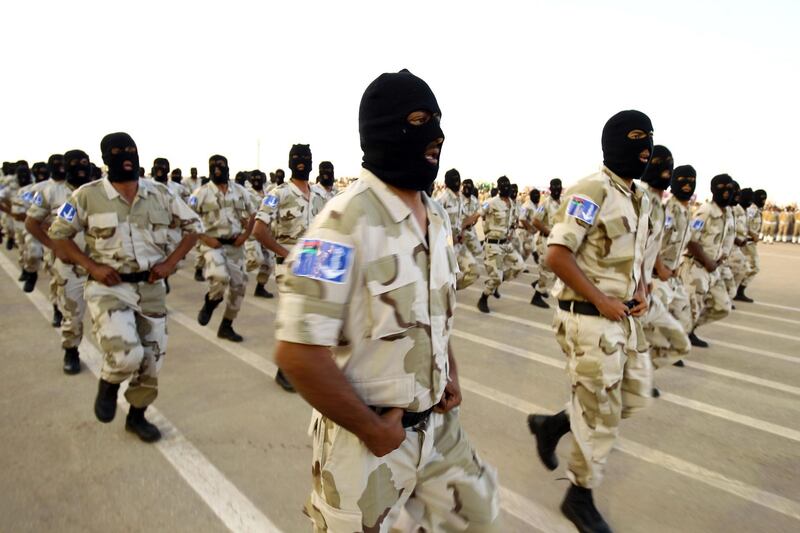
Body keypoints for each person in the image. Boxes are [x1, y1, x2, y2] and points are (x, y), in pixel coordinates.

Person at [274, 69, 499, 533]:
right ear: (382, 129)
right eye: (419, 121)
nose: (436, 135)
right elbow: (297, 353)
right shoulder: (339, 225)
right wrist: (374, 430)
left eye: (438, 121)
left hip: (436, 429)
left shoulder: (435, 217)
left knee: (479, 517)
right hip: (365, 440)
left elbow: (433, 311)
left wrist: (448, 370)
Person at [527, 110, 654, 533]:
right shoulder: (591, 190)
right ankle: (579, 495)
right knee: (602, 415)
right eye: (636, 137)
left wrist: (641, 291)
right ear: (614, 140)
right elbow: (556, 254)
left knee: (633, 397)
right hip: (589, 321)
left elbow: (632, 257)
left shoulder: (639, 196)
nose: (646, 146)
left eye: (650, 138)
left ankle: (554, 424)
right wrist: (601, 300)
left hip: (622, 320)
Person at [49, 133, 201, 442]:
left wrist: (170, 263)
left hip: (151, 288)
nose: (126, 156)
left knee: (152, 360)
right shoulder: (86, 196)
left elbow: (193, 228)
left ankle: (137, 416)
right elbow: (59, 235)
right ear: (105, 159)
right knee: (126, 355)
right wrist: (92, 266)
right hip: (109, 288)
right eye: (117, 151)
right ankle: (108, 383)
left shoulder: (160, 194)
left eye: (131, 149)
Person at [252, 144, 326, 392]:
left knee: (314, 318)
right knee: (293, 315)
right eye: (297, 158)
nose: (302, 162)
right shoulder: (277, 193)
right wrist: (287, 254)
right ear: (289, 162)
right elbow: (259, 230)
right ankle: (284, 371)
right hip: (288, 267)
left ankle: (307, 366)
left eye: (306, 158)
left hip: (314, 265)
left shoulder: (319, 196)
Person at [638, 146, 690, 392]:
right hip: (636, 290)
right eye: (657, 161)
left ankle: (639, 376)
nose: (664, 168)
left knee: (678, 342)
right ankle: (638, 379)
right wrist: (657, 270)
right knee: (641, 339)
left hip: (647, 286)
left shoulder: (660, 205)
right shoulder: (640, 199)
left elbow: (652, 244)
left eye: (669, 163)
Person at [191, 155, 256, 342]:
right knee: (220, 279)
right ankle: (210, 303)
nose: (217, 169)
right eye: (213, 166)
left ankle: (226, 326)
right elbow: (189, 220)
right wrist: (204, 238)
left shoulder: (240, 191)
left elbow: (253, 214)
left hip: (235, 245)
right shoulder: (200, 193)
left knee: (239, 287)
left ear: (227, 167)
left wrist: (245, 236)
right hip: (212, 245)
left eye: (220, 165)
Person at [679, 174, 734, 347]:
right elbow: (691, 239)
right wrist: (707, 261)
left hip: (713, 268)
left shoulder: (728, 213)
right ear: (713, 189)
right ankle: (677, 342)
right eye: (721, 187)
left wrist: (719, 259)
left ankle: (689, 330)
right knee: (689, 309)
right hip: (696, 266)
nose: (726, 192)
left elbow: (727, 240)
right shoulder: (705, 211)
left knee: (722, 306)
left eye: (729, 188)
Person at [477, 176, 525, 313]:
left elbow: (513, 220)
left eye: (507, 185)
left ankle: (496, 281)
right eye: (503, 185)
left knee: (519, 266)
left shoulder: (512, 203)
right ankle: (484, 298)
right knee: (496, 277)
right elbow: (478, 214)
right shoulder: (491, 202)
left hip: (506, 244)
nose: (506, 188)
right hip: (493, 245)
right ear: (498, 188)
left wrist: (514, 227)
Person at [435, 168, 479, 289]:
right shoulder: (441, 199)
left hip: (458, 245)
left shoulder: (460, 198)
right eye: (454, 180)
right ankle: (447, 293)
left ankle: (454, 289)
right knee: (442, 281)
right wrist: (448, 238)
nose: (456, 182)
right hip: (444, 248)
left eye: (457, 179)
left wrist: (463, 231)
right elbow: (433, 224)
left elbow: (461, 220)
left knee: (474, 271)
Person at [530, 178, 563, 308]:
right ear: (550, 188)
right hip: (545, 241)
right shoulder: (546, 203)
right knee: (547, 270)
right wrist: (549, 232)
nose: (556, 190)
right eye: (554, 187)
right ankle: (537, 296)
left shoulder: (563, 202)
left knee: (553, 271)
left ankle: (539, 286)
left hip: (557, 241)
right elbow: (535, 221)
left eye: (558, 187)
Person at [243, 170, 275, 298]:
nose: (256, 180)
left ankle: (260, 287)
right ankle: (233, 271)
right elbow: (240, 212)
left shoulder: (269, 194)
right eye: (254, 178)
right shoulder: (246, 194)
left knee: (268, 263)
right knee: (256, 259)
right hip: (251, 233)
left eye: (259, 177)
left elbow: (273, 211)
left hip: (265, 232)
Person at [736, 188, 766, 302]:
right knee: (754, 266)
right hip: (747, 243)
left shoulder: (757, 209)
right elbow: (745, 223)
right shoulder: (752, 209)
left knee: (745, 267)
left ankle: (738, 290)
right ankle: (739, 290)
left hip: (750, 243)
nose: (763, 201)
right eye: (762, 198)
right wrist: (752, 233)